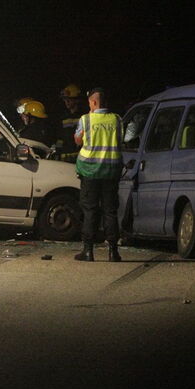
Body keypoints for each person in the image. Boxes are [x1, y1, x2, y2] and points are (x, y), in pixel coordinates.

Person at [74, 87, 124, 262]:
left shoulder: (86, 119)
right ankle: (113, 252)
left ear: (93, 102)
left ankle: (88, 251)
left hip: (90, 172)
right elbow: (121, 141)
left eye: (89, 102)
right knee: (110, 211)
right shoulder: (117, 120)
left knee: (90, 210)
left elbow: (78, 140)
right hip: (111, 172)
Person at [57, 83, 86, 162]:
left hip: (80, 158)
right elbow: (61, 137)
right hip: (65, 158)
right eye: (65, 100)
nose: (66, 102)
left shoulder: (84, 116)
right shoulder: (64, 117)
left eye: (68, 99)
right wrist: (58, 151)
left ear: (76, 100)